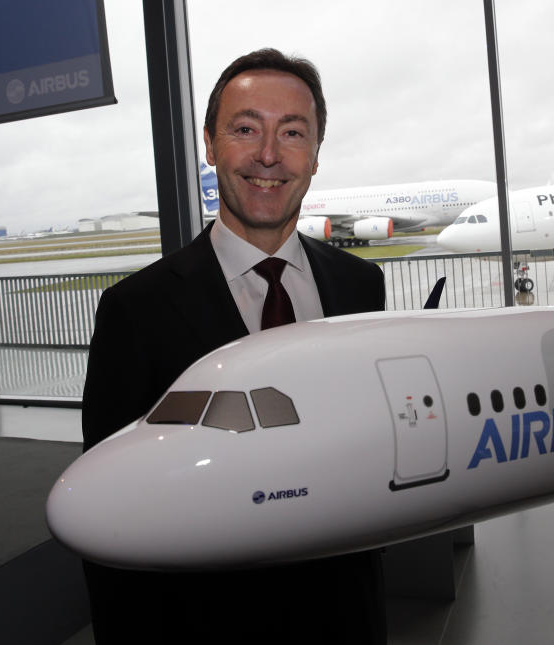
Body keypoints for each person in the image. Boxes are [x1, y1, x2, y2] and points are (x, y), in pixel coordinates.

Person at [81, 48, 387, 643]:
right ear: (210, 144)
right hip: (206, 620)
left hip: (344, 611)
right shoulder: (135, 311)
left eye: (292, 133)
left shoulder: (360, 286)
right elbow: (110, 513)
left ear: (316, 155)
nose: (269, 155)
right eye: (246, 129)